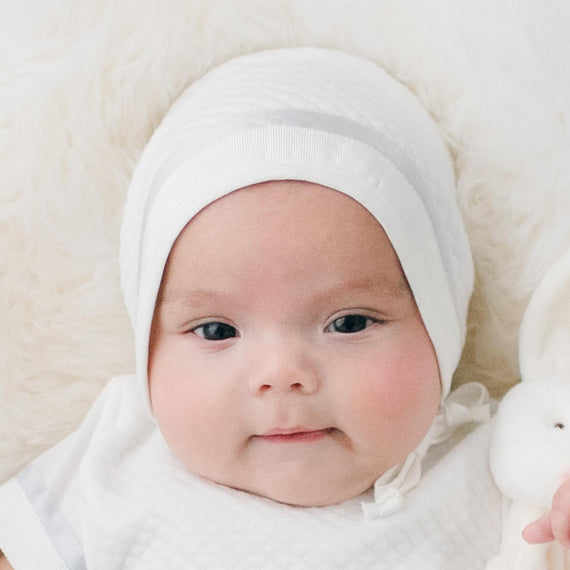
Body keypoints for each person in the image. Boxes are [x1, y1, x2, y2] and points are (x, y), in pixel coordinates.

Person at [0, 47, 560, 569]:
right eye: (217, 330)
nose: (282, 375)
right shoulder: (116, 461)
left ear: (441, 324)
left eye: (349, 323)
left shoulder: (505, 462)